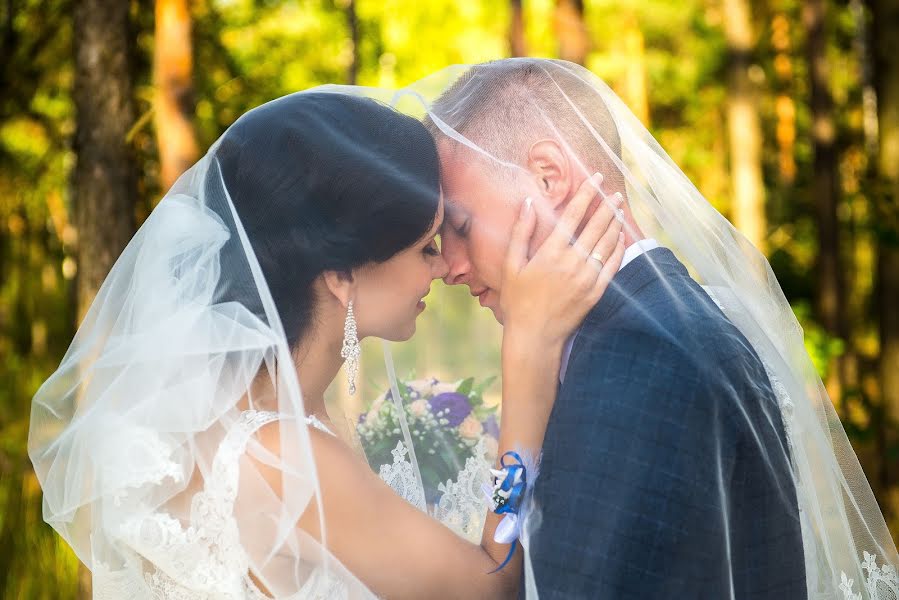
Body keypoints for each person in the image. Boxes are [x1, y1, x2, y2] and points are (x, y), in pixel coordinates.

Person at [28, 91, 624, 598]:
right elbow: (491, 584)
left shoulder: (256, 414)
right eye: (425, 248)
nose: (444, 268)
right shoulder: (284, 455)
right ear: (340, 275)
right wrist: (528, 359)